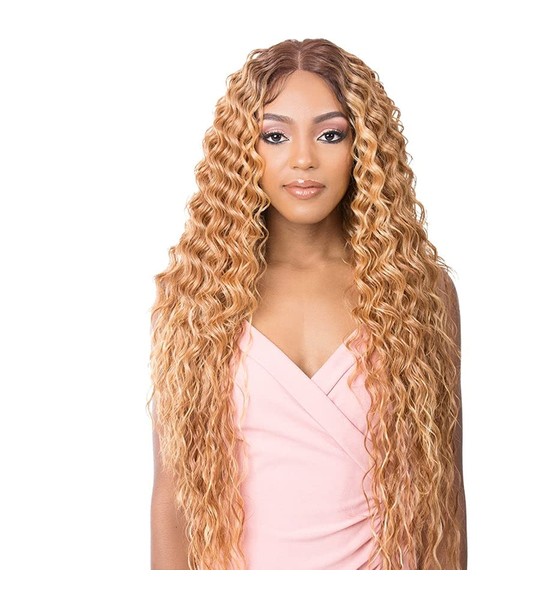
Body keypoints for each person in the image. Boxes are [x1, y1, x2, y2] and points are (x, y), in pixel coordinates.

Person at [148, 38, 467, 570]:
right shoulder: (196, 294)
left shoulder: (418, 292)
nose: (303, 159)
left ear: (362, 147)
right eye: (275, 135)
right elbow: (171, 499)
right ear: (244, 149)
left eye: (330, 134)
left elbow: (445, 493)